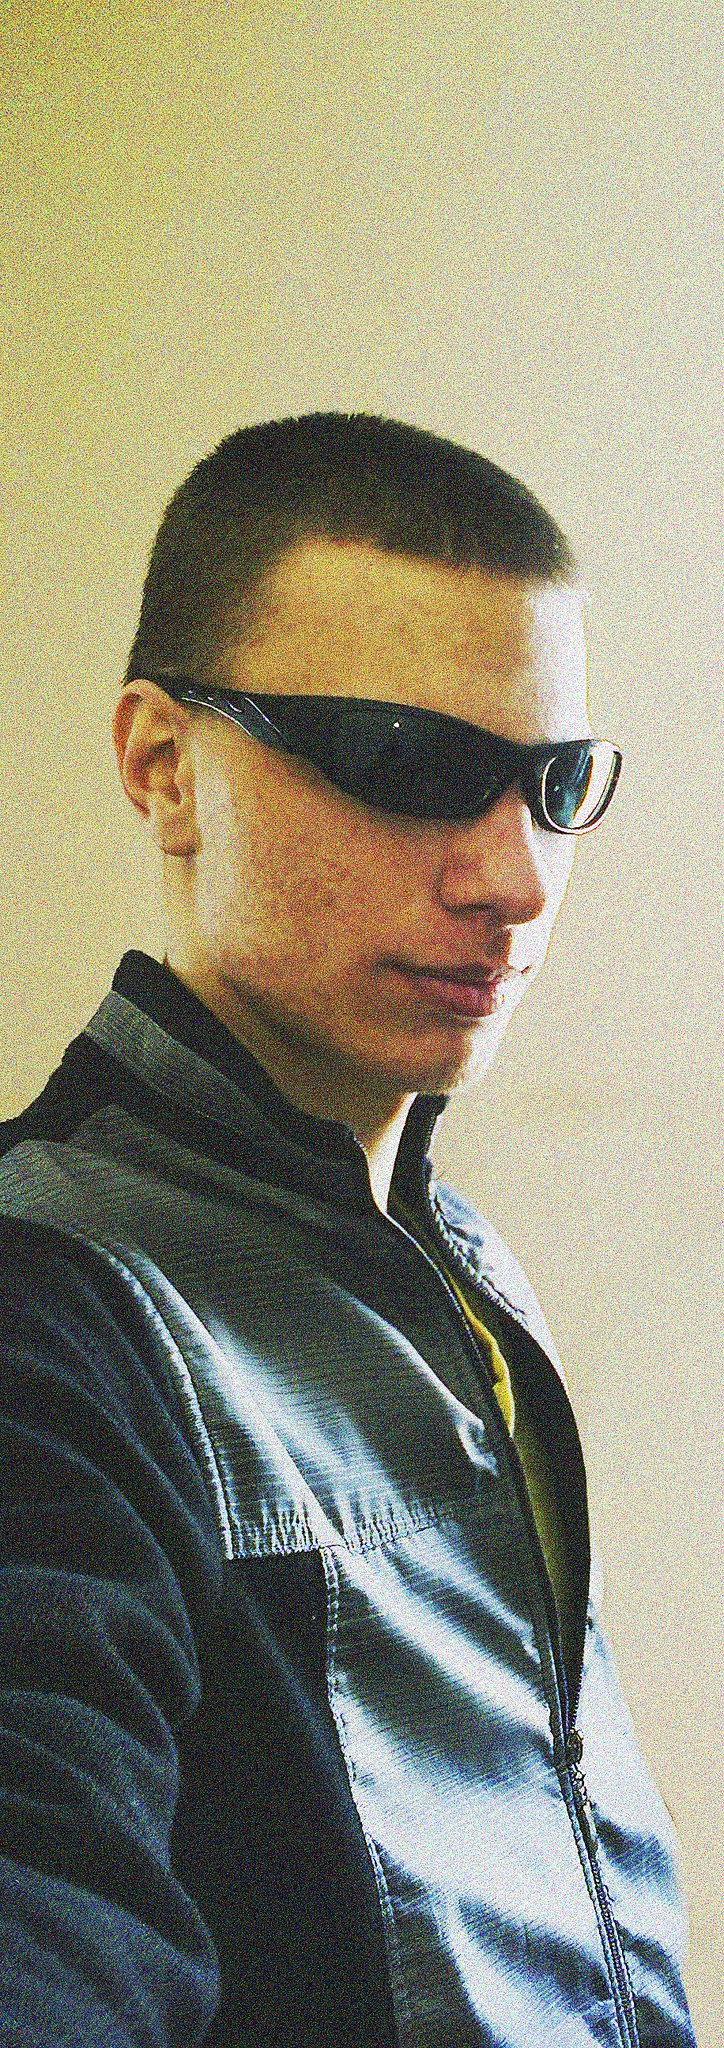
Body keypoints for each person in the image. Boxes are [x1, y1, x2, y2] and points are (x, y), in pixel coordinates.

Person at [0, 413, 696, 2048]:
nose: (517, 877)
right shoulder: (48, 1307)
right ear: (164, 765)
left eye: (556, 785)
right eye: (406, 763)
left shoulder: (452, 1253)